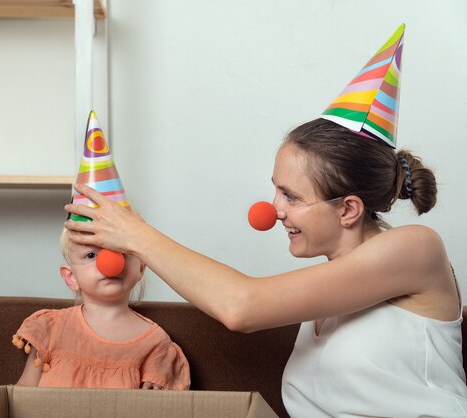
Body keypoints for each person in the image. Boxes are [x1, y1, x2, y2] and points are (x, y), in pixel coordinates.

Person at [64, 25, 467, 417]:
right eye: (276, 189)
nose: (273, 209)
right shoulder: (328, 292)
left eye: (291, 196)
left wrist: (135, 234)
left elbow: (242, 307)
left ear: (348, 210)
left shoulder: (417, 248)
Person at [12, 228, 191, 390]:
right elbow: (23, 393)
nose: (110, 263)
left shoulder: (156, 345)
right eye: (91, 255)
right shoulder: (50, 328)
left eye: (122, 252)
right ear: (71, 277)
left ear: (141, 268)